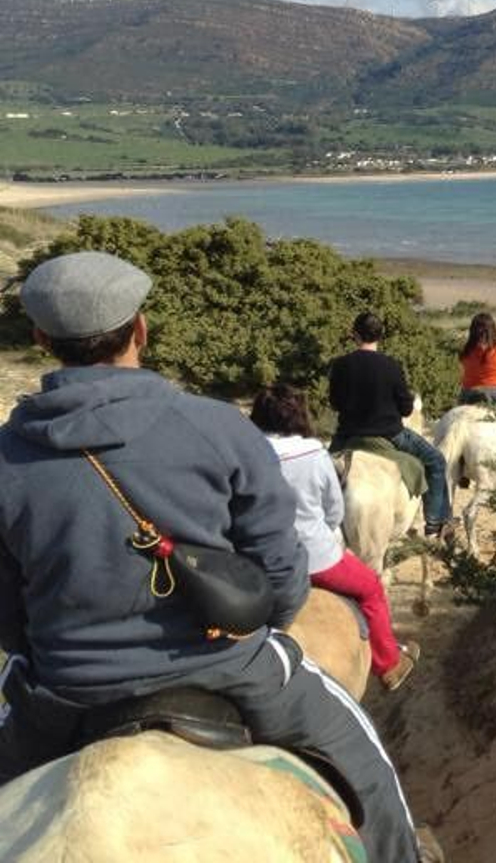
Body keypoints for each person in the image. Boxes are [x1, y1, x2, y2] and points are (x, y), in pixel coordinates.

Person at [0, 251, 436, 863]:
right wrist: (258, 618)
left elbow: (9, 615)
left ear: (42, 339)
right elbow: (282, 576)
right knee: (368, 763)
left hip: (66, 686)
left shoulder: (7, 454)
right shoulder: (218, 428)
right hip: (228, 665)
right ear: (141, 329)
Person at [250, 383, 421, 692]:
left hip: (259, 559)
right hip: (315, 559)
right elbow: (334, 510)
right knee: (370, 588)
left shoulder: (247, 455)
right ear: (299, 415)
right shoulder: (314, 453)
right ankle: (389, 664)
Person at [327, 312, 453, 539]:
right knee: (435, 461)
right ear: (380, 336)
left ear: (355, 335)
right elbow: (406, 409)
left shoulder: (340, 365)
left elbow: (335, 403)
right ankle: (434, 522)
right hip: (389, 435)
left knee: (320, 469)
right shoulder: (391, 365)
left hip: (347, 436)